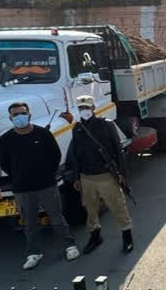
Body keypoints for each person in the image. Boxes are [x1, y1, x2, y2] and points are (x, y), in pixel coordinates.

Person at [0, 102, 79, 270]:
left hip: (47, 185)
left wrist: (47, 174)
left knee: (57, 217)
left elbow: (55, 156)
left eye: (22, 113)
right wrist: (19, 177)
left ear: (29, 114)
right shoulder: (5, 140)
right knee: (29, 223)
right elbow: (4, 164)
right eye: (15, 115)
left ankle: (69, 246)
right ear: (10, 118)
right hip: (22, 189)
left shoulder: (43, 134)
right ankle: (33, 253)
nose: (19, 117)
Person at [66, 95, 134, 254]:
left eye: (87, 107)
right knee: (90, 209)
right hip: (86, 177)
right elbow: (74, 154)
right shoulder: (77, 128)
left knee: (117, 207)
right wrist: (76, 176)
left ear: (93, 108)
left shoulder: (106, 125)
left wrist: (122, 173)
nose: (84, 111)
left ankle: (127, 237)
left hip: (105, 175)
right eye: (81, 108)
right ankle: (95, 237)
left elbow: (118, 150)